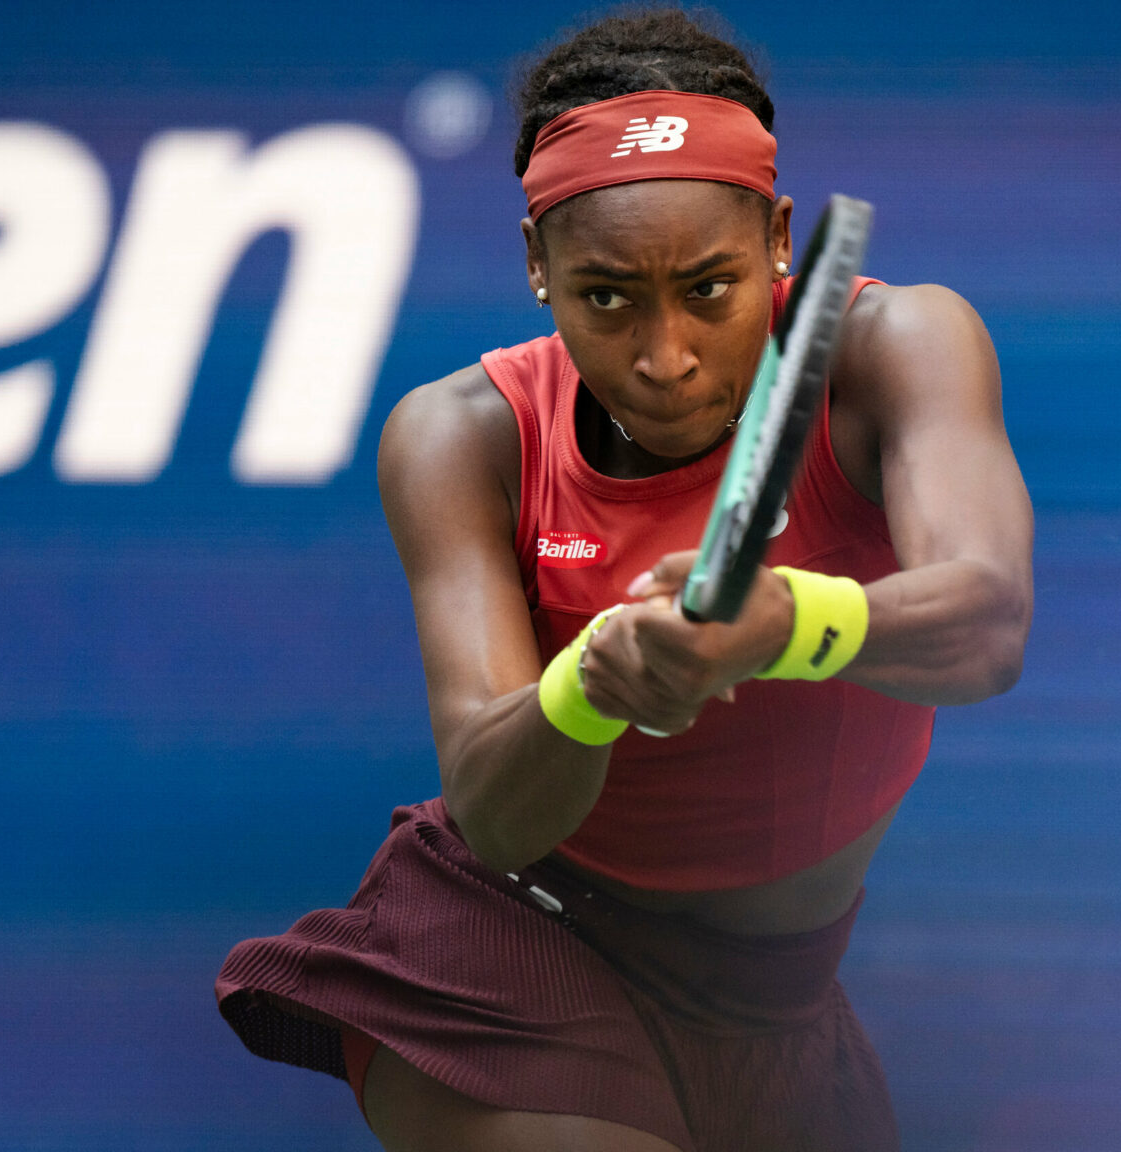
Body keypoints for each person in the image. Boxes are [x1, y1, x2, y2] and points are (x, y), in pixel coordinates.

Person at [215, 10, 1032, 1150]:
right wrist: (592, 683)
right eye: (607, 296)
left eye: (709, 288)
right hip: (517, 940)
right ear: (535, 266)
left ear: (779, 240)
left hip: (778, 994)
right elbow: (493, 813)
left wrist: (780, 622)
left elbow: (987, 622)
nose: (664, 354)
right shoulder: (461, 437)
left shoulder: (897, 343)